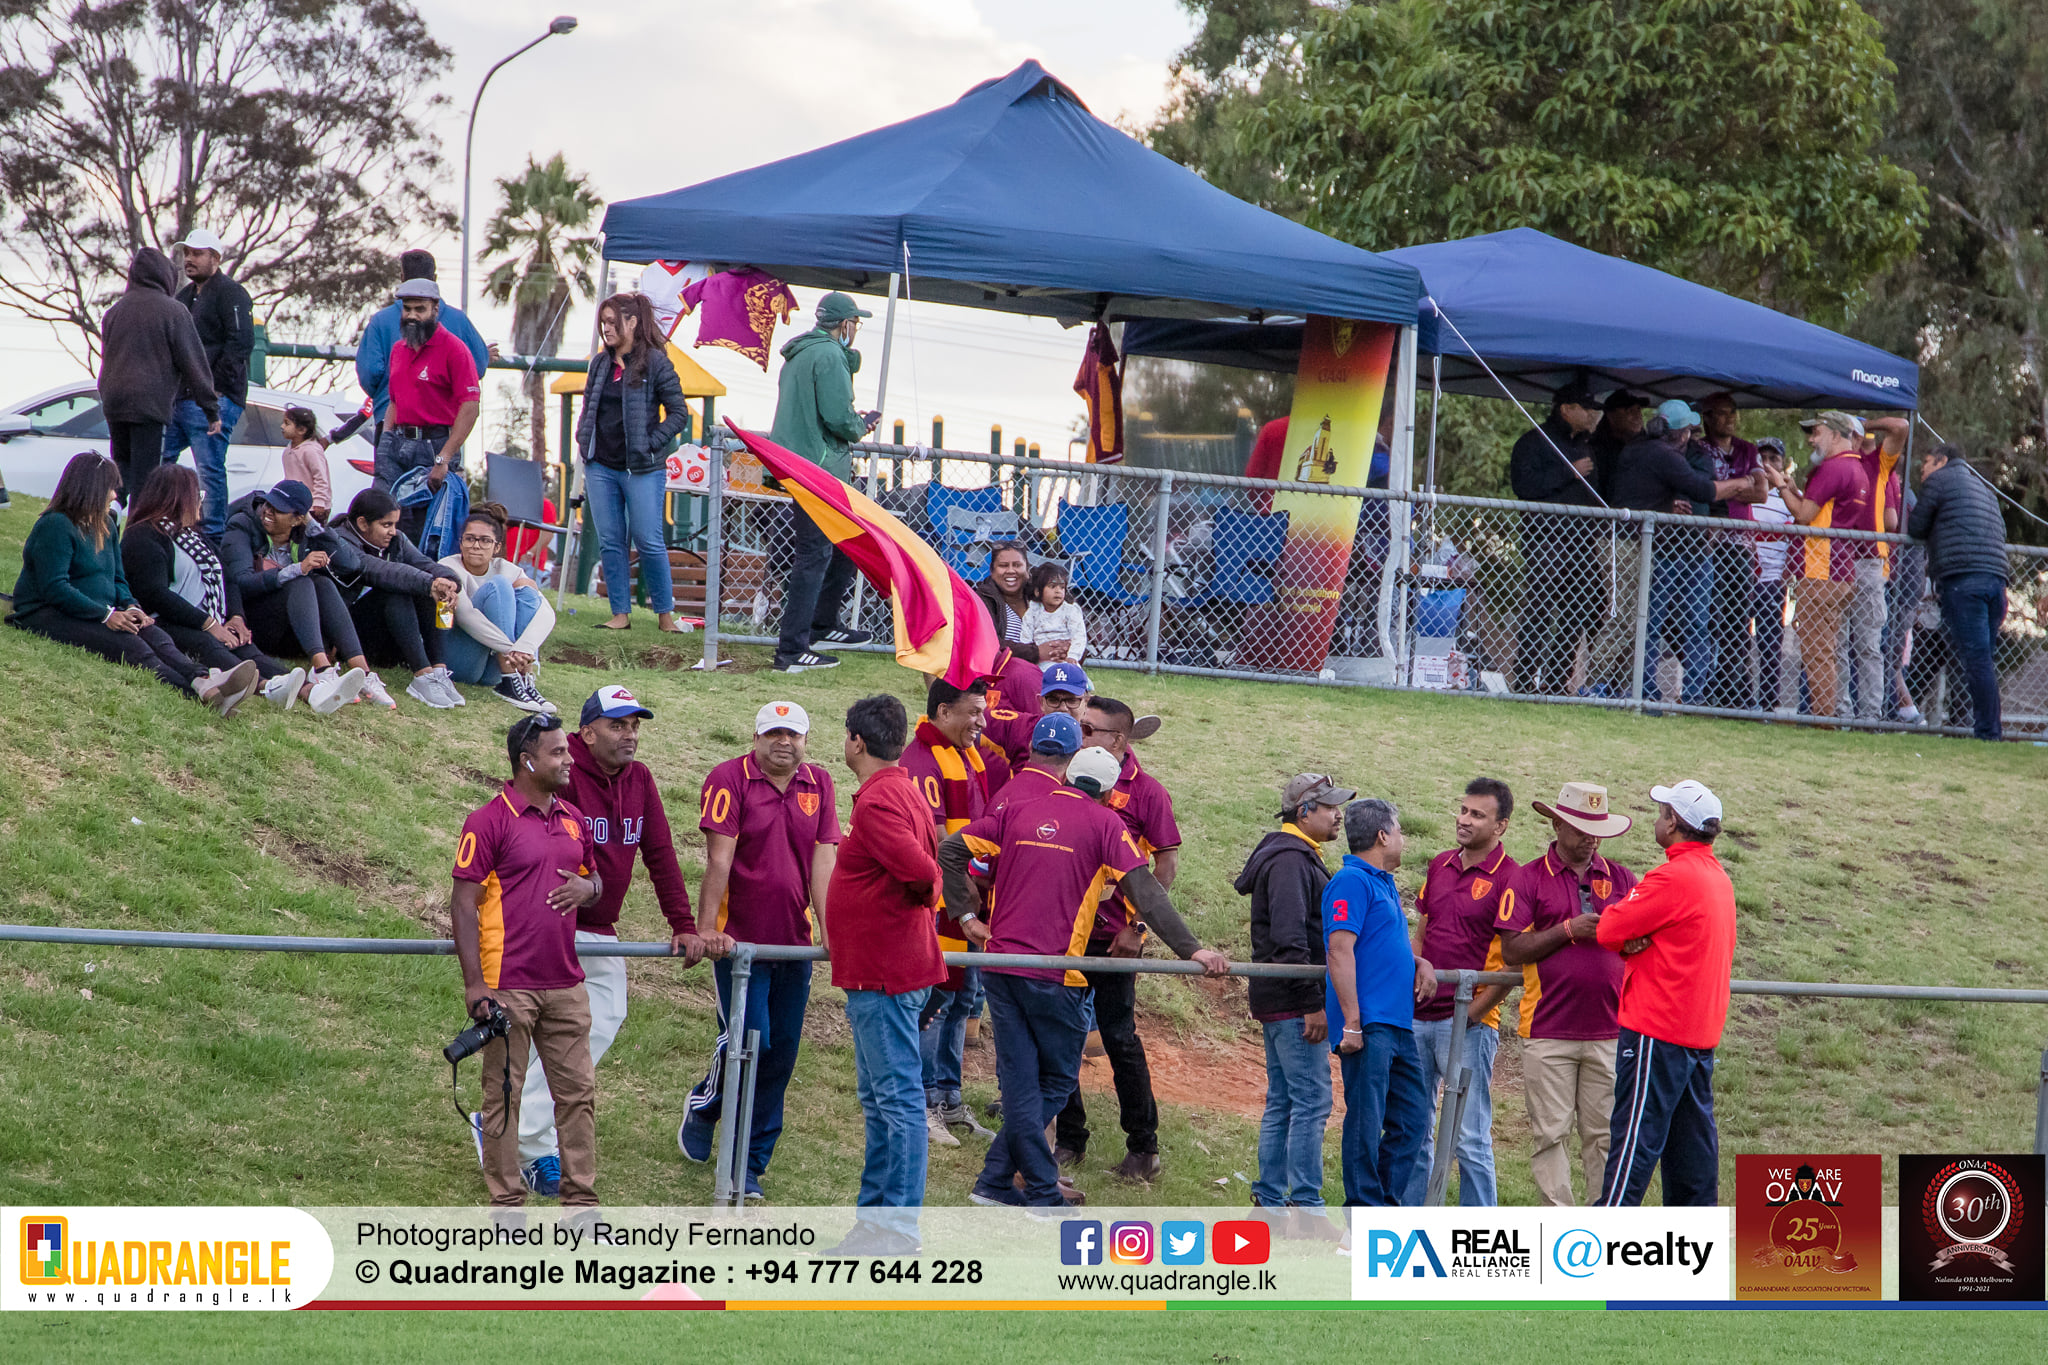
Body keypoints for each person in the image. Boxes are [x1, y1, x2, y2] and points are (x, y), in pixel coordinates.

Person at [939, 746, 1228, 1208]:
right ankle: (1035, 1187)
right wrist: (1193, 949)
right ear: (1112, 794)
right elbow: (1148, 895)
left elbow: (951, 849)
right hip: (1054, 974)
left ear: (1068, 775)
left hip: (998, 968)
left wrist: (966, 915)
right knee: (1055, 1079)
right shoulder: (1107, 825)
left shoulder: (1018, 810)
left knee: (1019, 1084)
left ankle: (994, 1183)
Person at [514, 686, 721, 1198]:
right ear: (587, 732)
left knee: (601, 1019)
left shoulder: (641, 778)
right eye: (617, 725)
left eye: (635, 725)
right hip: (550, 921)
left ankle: (514, 1129)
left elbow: (660, 852)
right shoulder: (562, 772)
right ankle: (524, 1142)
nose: (629, 735)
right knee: (563, 1033)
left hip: (598, 926)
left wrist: (683, 923)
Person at [677, 702, 841, 1200]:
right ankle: (707, 1108)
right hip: (738, 945)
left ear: (807, 740)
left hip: (793, 944)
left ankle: (750, 1164)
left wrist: (830, 931)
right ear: (755, 737)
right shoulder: (728, 779)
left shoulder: (821, 784)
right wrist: (707, 929)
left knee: (782, 1055)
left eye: (793, 734)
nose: (783, 742)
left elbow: (823, 860)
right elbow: (718, 859)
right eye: (773, 733)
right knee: (753, 1043)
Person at [451, 713, 603, 1209]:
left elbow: (595, 881)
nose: (569, 759)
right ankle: (507, 1204)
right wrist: (476, 986)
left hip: (565, 983)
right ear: (527, 760)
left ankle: (581, 1204)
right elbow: (462, 903)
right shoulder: (487, 821)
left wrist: (589, 888)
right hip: (506, 986)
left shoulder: (574, 818)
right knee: (503, 1097)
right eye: (558, 751)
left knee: (578, 1096)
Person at [826, 693, 946, 1254]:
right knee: (882, 1100)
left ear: (856, 740)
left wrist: (918, 901)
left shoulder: (878, 802)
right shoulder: (900, 789)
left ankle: (895, 1229)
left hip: (885, 972)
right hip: (887, 969)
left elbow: (925, 872)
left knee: (896, 1100)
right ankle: (876, 1225)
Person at [6, 452, 258, 712]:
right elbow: (55, 588)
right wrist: (106, 615)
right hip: (47, 613)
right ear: (91, 489)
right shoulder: (56, 525)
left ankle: (204, 680)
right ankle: (201, 693)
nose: (116, 496)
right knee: (133, 647)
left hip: (100, 609)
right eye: (110, 489)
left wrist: (130, 605)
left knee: (155, 635)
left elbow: (117, 577)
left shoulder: (107, 525)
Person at [1053, 696, 1180, 1183]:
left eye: (1090, 729)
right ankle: (1068, 1138)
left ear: (1118, 740)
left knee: (1120, 1038)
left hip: (1115, 940)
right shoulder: (1069, 777)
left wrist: (1139, 927)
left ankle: (1144, 1148)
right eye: (1080, 727)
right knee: (1062, 1037)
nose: (1079, 734)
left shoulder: (1148, 792)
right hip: (1066, 933)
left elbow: (1164, 866)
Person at [1595, 780, 1737, 1208]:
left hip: (1657, 1032)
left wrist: (1633, 939)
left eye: (1662, 813)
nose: (1657, 819)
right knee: (1692, 1162)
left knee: (1632, 1153)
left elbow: (1607, 929)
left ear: (1674, 821)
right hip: (1699, 1035)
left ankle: (1599, 1253)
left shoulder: (1672, 877)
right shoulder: (1717, 877)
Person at [1496, 782, 1639, 1205]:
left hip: (1612, 1030)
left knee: (1606, 1137)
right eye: (1580, 828)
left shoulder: (1623, 878)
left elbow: (1642, 938)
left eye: (1598, 830)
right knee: (1550, 1134)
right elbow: (1511, 948)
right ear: (1557, 824)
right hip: (1547, 1029)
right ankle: (1560, 1231)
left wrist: (1629, 939)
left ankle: (1607, 1229)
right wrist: (1568, 930)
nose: (1591, 838)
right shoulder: (1526, 879)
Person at [1239, 773, 1354, 1229]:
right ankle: (1305, 1209)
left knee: (1285, 1100)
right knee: (1309, 1101)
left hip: (1278, 998)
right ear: (1304, 811)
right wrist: (1313, 1003)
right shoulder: (1290, 860)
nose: (1338, 814)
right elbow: (1290, 941)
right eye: (1329, 807)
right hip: (1292, 1000)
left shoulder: (1292, 854)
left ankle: (1270, 1203)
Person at [1402, 778, 1516, 1207]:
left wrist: (1474, 1013)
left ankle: (1479, 1237)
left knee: (1469, 1136)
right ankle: (1411, 1226)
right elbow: (1423, 931)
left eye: (1477, 815)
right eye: (1463, 811)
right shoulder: (1439, 863)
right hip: (1419, 1015)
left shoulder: (1512, 877)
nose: (1464, 820)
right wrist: (1413, 975)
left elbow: (1513, 960)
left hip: (1469, 1023)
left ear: (1500, 826)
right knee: (1415, 1128)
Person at [1600, 401, 1760, 703]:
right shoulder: (1655, 453)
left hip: (1697, 549)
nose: (1691, 435)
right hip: (1662, 548)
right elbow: (1702, 489)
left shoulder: (1697, 455)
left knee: (1698, 622)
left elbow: (1711, 499)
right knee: (1650, 620)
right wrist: (1738, 483)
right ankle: (1643, 691)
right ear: (1675, 431)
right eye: (1687, 429)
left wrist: (1710, 527)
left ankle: (1696, 695)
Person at [900, 677, 1003, 1145]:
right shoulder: (922, 761)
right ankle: (921, 1103)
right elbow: (940, 842)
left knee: (963, 999)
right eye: (973, 713)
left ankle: (948, 1096)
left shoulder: (967, 753)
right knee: (936, 1004)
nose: (982, 723)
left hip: (966, 898)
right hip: (939, 903)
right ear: (943, 713)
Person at [1325, 798, 1436, 1208]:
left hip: (1397, 1024)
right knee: (1366, 1123)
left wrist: (1418, 961)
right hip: (1369, 1024)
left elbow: (1378, 945)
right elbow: (1339, 950)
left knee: (1411, 1122)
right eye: (1400, 831)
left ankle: (1382, 1211)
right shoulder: (1352, 882)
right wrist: (1352, 1021)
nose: (1404, 840)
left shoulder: (1382, 882)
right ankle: (1361, 1216)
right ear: (1383, 835)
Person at [121, 464, 305, 708]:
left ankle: (309, 689)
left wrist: (236, 617)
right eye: (196, 495)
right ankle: (266, 687)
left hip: (205, 617)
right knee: (209, 643)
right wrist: (209, 624)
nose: (199, 502)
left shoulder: (194, 535)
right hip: (164, 620)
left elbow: (227, 578)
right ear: (176, 498)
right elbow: (155, 594)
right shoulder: (144, 535)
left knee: (244, 646)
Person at [770, 291, 880, 672]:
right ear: (844, 324)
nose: (856, 329)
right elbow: (838, 418)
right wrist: (861, 425)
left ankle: (823, 624)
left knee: (842, 546)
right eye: (855, 323)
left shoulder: (800, 354)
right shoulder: (829, 355)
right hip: (820, 468)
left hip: (800, 465)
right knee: (814, 556)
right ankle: (792, 650)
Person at [577, 291, 693, 634]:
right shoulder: (600, 363)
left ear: (632, 323)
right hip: (600, 466)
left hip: (642, 469)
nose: (606, 329)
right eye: (603, 322)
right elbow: (589, 407)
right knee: (611, 540)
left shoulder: (655, 362)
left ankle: (665, 615)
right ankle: (620, 614)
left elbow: (678, 414)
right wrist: (584, 443)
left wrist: (651, 444)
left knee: (648, 539)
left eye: (613, 322)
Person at [219, 479, 371, 714]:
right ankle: (321, 669)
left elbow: (351, 564)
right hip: (254, 623)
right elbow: (241, 583)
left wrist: (314, 527)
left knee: (321, 583)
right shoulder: (242, 525)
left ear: (298, 518)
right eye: (268, 504)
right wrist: (296, 569)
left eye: (278, 509)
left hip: (294, 629)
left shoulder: (304, 533)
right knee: (301, 580)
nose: (267, 512)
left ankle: (362, 672)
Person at [1766, 411, 1877, 721]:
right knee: (1825, 651)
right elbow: (1822, 511)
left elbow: (1803, 514)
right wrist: (1792, 488)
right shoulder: (1857, 470)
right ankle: (1827, 716)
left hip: (1820, 572)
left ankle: (1823, 721)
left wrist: (1780, 486)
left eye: (1817, 432)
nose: (1811, 438)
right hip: (1840, 572)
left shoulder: (1832, 468)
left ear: (1837, 434)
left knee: (1818, 654)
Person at [1507, 383, 1606, 696]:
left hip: (1583, 541)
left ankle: (1557, 679)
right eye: (1586, 407)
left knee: (1581, 608)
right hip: (1546, 540)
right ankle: (1524, 682)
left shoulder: (1589, 445)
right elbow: (1524, 486)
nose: (1593, 414)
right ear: (1566, 409)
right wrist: (1568, 473)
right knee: (1540, 609)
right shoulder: (1534, 442)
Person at [98, 247, 219, 500]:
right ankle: (137, 534)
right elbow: (193, 363)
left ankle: (109, 521)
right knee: (147, 478)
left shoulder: (115, 312)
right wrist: (210, 409)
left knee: (120, 471)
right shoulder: (172, 311)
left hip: (114, 402)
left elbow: (107, 359)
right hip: (149, 405)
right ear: (165, 276)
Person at [1907, 443, 2010, 740]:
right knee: (1983, 660)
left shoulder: (1938, 482)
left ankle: (1988, 731)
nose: (1923, 470)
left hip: (1963, 580)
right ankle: (1987, 727)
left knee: (1975, 660)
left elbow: (1916, 527)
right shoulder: (1984, 489)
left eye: (1926, 462)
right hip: (1995, 579)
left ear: (1941, 461)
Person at [328, 487, 464, 710]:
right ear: (363, 524)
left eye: (395, 524)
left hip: (383, 635)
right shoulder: (339, 541)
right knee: (397, 589)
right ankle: (421, 675)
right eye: (386, 525)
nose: (393, 531)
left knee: (435, 592)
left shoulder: (396, 540)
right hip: (346, 634)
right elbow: (379, 570)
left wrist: (449, 582)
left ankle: (438, 670)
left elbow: (426, 565)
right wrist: (430, 583)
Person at [160, 228, 253, 539]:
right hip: (182, 398)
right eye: (186, 253)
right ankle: (157, 521)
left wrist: (216, 389)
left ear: (216, 258)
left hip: (214, 398)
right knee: (160, 460)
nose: (189, 259)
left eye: (197, 253)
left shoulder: (232, 293)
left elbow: (240, 343)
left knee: (209, 468)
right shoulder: (183, 298)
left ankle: (213, 534)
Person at [372, 279, 481, 544]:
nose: (411, 315)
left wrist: (444, 459)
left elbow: (470, 407)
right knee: (378, 516)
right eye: (406, 309)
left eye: (419, 309)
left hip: (434, 446)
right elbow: (395, 401)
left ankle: (417, 583)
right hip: (396, 443)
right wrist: (386, 437)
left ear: (435, 308)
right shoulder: (398, 350)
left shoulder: (455, 349)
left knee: (421, 530)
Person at [439, 503, 558, 713]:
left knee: (528, 593)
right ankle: (511, 677)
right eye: (470, 539)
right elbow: (466, 616)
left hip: (492, 671)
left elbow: (546, 613)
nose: (476, 545)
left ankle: (523, 679)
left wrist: (525, 649)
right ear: (461, 543)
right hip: (458, 661)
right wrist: (511, 649)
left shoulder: (506, 568)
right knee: (500, 585)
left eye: (485, 540)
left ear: (496, 547)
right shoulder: (447, 567)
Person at [355, 250, 491, 430]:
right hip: (443, 426)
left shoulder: (380, 320)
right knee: (443, 457)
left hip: (391, 421)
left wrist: (387, 391)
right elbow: (478, 367)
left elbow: (369, 372)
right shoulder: (458, 320)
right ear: (434, 277)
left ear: (402, 277)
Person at [1695, 394, 1766, 710]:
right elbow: (1705, 489)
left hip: (1739, 543)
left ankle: (1734, 686)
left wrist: (1728, 487)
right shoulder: (1698, 449)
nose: (1729, 419)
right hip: (1710, 541)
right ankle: (1707, 682)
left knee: (1738, 618)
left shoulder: (1747, 449)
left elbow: (1761, 492)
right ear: (1707, 417)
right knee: (1708, 615)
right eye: (1721, 413)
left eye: (1733, 413)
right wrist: (1741, 484)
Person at [1736, 438, 1796, 711]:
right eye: (1763, 458)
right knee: (1736, 639)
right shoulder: (1748, 492)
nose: (1769, 464)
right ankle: (1741, 697)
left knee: (1771, 645)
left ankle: (1770, 702)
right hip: (1742, 578)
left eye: (1775, 459)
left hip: (1772, 580)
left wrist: (1788, 574)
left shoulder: (1789, 498)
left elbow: (1799, 537)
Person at [975, 543, 1060, 663]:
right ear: (992, 571)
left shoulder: (1039, 593)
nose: (1010, 571)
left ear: (1027, 568)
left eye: (1017, 565)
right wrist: (1036, 653)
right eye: (1003, 566)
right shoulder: (985, 599)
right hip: (1006, 669)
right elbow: (988, 643)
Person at [1021, 561, 1089, 664]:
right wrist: (1029, 657)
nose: (1058, 591)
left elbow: (1079, 635)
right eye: (1052, 586)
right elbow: (1025, 637)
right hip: (1041, 661)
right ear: (1038, 591)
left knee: (1082, 680)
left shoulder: (1070, 610)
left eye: (1062, 587)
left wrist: (1073, 656)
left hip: (1066, 660)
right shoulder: (1033, 611)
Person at [280, 407, 334, 524]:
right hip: (297, 504)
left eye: (287, 423)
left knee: (312, 536)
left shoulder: (311, 450)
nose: (282, 426)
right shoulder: (288, 450)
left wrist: (319, 502)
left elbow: (320, 478)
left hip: (314, 507)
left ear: (301, 430)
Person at [1588, 392, 1648, 498]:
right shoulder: (1595, 448)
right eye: (1629, 411)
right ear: (1611, 415)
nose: (1637, 416)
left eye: (1638, 410)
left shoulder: (1649, 445)